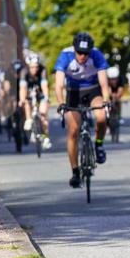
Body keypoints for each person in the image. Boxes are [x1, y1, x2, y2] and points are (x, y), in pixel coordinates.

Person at [53, 32, 112, 188]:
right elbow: (58, 85)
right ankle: (75, 172)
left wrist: (106, 100)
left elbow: (104, 84)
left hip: (93, 90)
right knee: (73, 130)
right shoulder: (65, 56)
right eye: (79, 52)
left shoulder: (97, 55)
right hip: (73, 92)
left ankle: (99, 144)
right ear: (74, 49)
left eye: (86, 53)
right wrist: (60, 103)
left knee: (101, 117)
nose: (82, 56)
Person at [20, 52, 52, 149]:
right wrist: (22, 99)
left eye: (36, 67)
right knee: (26, 101)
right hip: (29, 91)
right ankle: (29, 119)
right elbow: (22, 88)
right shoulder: (24, 72)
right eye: (32, 67)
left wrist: (46, 97)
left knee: (43, 115)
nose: (35, 69)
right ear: (28, 66)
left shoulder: (42, 70)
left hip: (40, 92)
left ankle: (46, 137)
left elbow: (44, 86)